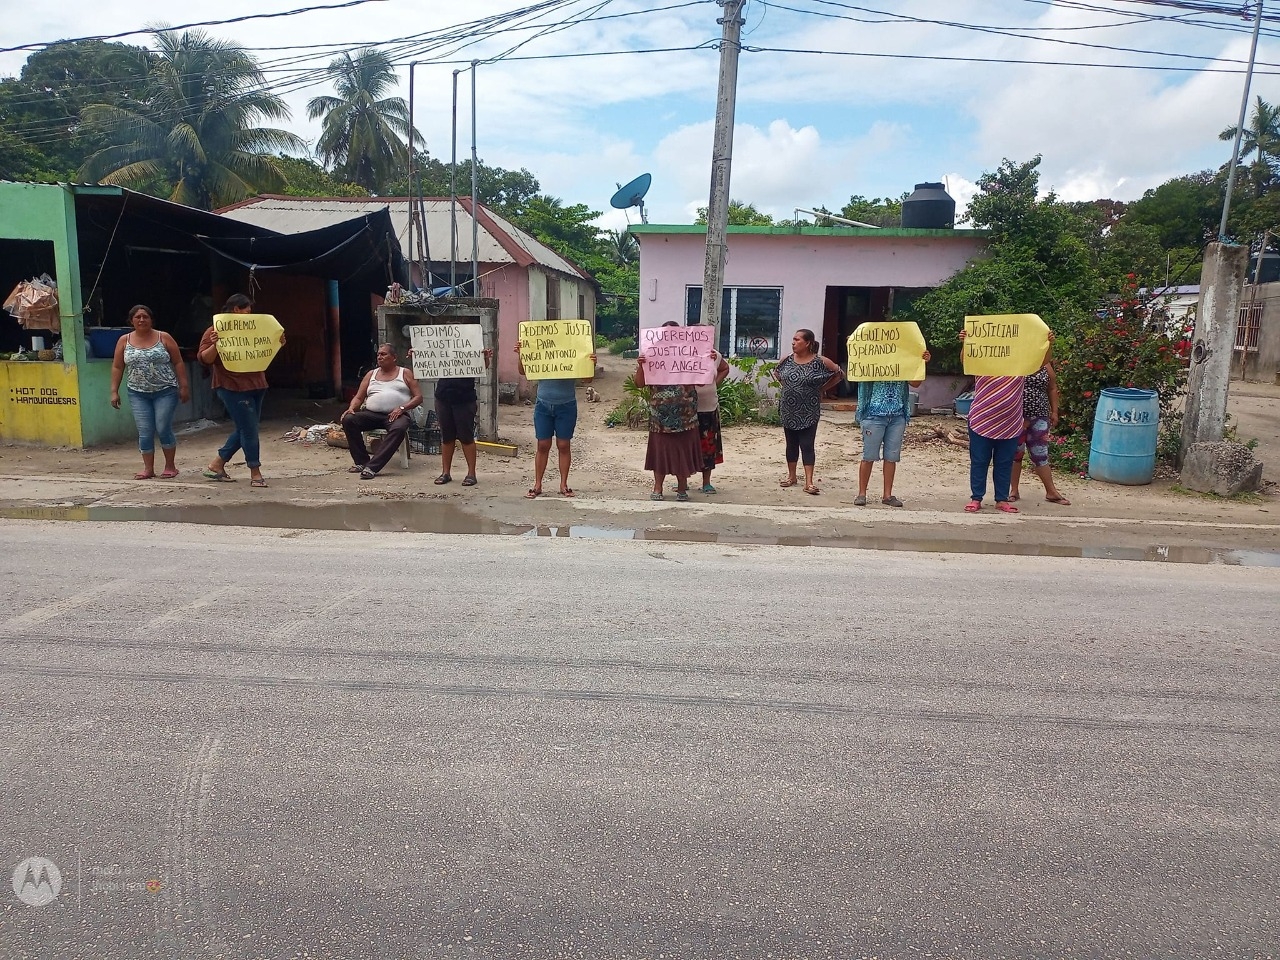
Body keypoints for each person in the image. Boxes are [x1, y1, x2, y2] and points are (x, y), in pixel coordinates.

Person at [961, 329, 1054, 513]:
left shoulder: (1020, 365)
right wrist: (965, 342)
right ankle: (976, 498)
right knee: (979, 460)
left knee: (1004, 462)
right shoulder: (982, 363)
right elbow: (966, 359)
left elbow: (1042, 361)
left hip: (1010, 423)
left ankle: (1001, 499)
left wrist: (1049, 344)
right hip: (981, 420)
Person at [199, 293, 285, 488]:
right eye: (246, 309)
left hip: (257, 384)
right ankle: (255, 471)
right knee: (249, 429)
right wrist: (215, 344)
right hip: (232, 386)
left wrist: (277, 341)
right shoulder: (215, 330)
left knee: (247, 427)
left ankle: (217, 463)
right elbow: (204, 359)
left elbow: (268, 347)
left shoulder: (257, 328)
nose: (249, 312)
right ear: (236, 309)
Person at [109, 304, 190, 480]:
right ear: (131, 321)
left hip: (165, 391)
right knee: (145, 431)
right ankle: (148, 469)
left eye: (145, 316)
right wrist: (114, 391)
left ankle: (170, 466)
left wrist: (184, 386)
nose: (141, 320)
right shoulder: (124, 340)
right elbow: (117, 366)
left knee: (162, 427)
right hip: (137, 392)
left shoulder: (164, 337)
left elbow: (178, 362)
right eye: (137, 317)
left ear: (151, 319)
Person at [515, 340, 597, 498]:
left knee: (563, 445)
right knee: (543, 444)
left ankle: (563, 484)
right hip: (543, 404)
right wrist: (521, 354)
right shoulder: (542, 354)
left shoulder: (573, 356)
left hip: (566, 405)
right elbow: (523, 371)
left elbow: (587, 379)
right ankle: (537, 485)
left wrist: (591, 363)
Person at [854, 347, 931, 507]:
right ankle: (862, 493)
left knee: (892, 456)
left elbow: (915, 382)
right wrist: (858, 349)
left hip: (897, 415)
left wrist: (921, 362)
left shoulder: (903, 362)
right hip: (874, 414)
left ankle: (887, 495)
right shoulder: (873, 359)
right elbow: (860, 371)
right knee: (869, 455)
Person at [634, 322, 702, 502]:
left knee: (683, 452)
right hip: (660, 418)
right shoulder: (652, 355)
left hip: (685, 417)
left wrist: (707, 361)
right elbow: (639, 383)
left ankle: (681, 488)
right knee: (660, 453)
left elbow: (702, 381)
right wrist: (641, 365)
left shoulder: (689, 355)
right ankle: (658, 487)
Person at [774, 328, 843, 495]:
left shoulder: (820, 361)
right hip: (788, 408)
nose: (793, 342)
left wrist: (822, 389)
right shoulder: (787, 360)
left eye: (797, 340)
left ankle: (809, 482)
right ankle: (792, 477)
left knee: (807, 444)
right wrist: (790, 389)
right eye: (793, 339)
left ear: (808, 343)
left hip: (809, 410)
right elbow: (777, 373)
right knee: (791, 444)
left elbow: (839, 374)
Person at [341, 343, 424, 479]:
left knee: (399, 428)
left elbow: (418, 397)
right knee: (349, 420)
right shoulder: (371, 374)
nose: (380, 357)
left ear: (394, 357)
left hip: (397, 415)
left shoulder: (405, 373)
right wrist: (351, 408)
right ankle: (361, 462)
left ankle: (372, 467)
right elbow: (359, 397)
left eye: (384, 354)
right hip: (371, 414)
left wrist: (402, 408)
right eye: (378, 354)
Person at [1010, 354, 1071, 506]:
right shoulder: (1013, 358)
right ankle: (1013, 491)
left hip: (1040, 416)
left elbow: (1052, 388)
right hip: (1016, 415)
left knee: (1040, 453)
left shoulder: (1044, 362)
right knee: (1015, 453)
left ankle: (1051, 492)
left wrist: (1054, 411)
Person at [433, 346, 493, 486]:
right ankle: (445, 472)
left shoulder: (470, 351)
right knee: (447, 436)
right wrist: (418, 355)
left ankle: (471, 474)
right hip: (443, 397)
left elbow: (482, 368)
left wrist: (485, 357)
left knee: (466, 436)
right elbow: (427, 361)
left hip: (464, 398)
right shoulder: (441, 351)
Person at [689, 322, 731, 494]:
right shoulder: (681, 355)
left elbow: (725, 368)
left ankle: (706, 482)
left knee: (707, 445)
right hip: (686, 409)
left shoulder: (714, 355)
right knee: (686, 446)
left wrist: (715, 383)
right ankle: (682, 480)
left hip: (708, 408)